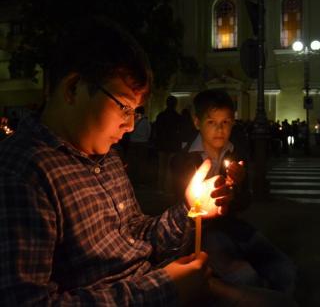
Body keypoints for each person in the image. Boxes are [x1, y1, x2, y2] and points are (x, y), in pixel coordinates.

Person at [0, 16, 258, 306]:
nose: (131, 126)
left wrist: (191, 207)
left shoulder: (107, 158)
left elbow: (137, 236)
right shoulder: (23, 173)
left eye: (135, 112)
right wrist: (164, 288)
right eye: (124, 107)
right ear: (73, 88)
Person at [170, 89, 297, 302]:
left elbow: (244, 202)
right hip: (204, 235)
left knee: (285, 270)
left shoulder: (234, 155)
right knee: (244, 277)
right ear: (197, 122)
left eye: (226, 122)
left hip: (234, 227)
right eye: (211, 122)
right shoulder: (185, 161)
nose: (219, 129)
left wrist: (237, 187)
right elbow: (179, 212)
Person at [154, 95, 182, 192]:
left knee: (161, 167)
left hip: (162, 144)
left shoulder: (161, 116)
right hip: (173, 145)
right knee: (170, 168)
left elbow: (157, 130)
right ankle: (167, 188)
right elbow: (180, 133)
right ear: (175, 104)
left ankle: (160, 188)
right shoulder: (178, 117)